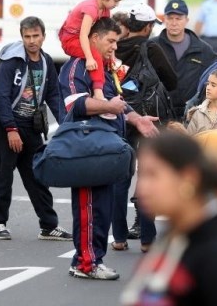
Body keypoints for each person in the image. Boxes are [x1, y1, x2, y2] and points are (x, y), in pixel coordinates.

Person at [59, 17, 159, 280]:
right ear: (94, 39)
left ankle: (93, 259)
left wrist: (137, 118)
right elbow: (76, 105)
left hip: (106, 150)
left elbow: (119, 103)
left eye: (117, 41)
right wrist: (109, 107)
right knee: (88, 208)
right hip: (86, 149)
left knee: (101, 208)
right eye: (111, 41)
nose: (115, 46)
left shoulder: (102, 69)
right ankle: (84, 263)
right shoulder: (76, 67)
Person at [121, 132, 217, 306]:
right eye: (141, 175)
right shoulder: (180, 234)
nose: (141, 189)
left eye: (152, 175)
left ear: (189, 178)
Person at [0, 16, 71, 241]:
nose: (32, 41)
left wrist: (67, 123)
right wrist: (11, 129)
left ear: (43, 36)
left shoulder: (45, 61)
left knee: (37, 176)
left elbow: (53, 95)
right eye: (27, 36)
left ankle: (49, 225)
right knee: (4, 176)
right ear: (22, 37)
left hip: (31, 128)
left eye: (36, 36)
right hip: (8, 127)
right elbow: (1, 97)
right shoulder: (11, 61)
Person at [112, 3, 178, 253]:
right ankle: (148, 239)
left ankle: (118, 237)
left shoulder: (114, 47)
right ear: (148, 26)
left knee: (120, 176)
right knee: (148, 175)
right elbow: (172, 81)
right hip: (149, 119)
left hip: (120, 115)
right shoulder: (151, 47)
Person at [58, 0, 127, 109]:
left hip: (81, 38)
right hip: (70, 39)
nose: (117, 4)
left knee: (106, 60)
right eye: (115, 0)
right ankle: (98, 92)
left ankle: (109, 87)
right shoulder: (91, 8)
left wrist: (112, 59)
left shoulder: (105, 10)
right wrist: (89, 58)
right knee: (95, 54)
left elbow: (105, 32)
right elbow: (83, 35)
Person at [152, 0, 217, 121]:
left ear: (186, 20)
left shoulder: (203, 49)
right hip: (159, 114)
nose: (174, 23)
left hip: (192, 115)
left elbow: (216, 78)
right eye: (170, 18)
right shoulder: (152, 47)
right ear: (164, 19)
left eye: (178, 18)